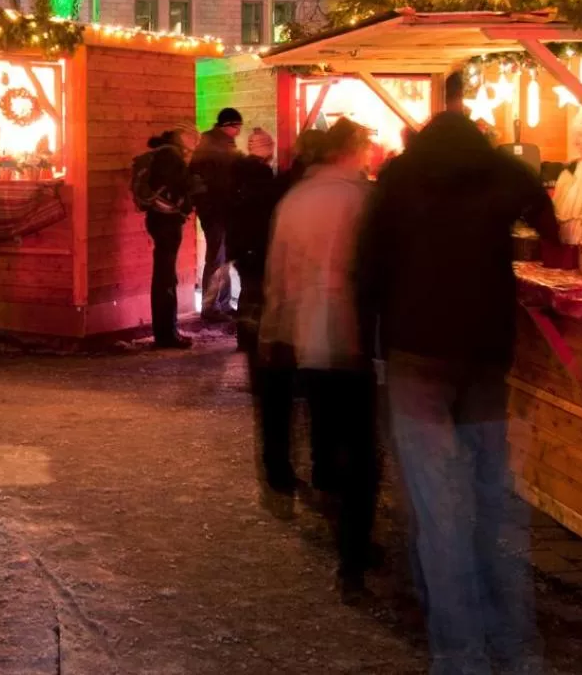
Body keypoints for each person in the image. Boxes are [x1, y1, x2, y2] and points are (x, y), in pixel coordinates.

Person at [356, 71, 561, 674]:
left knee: (438, 507)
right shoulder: (501, 171)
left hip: (416, 354)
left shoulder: (398, 178)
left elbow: (368, 269)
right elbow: (550, 225)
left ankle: (459, 654)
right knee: (493, 503)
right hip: (485, 355)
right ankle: (516, 647)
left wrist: (370, 345)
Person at [258, 119, 380, 599]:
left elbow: (280, 272)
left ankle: (340, 533)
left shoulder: (297, 200)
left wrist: (277, 328)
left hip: (307, 333)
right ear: (353, 149)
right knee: (361, 448)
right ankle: (352, 553)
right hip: (353, 336)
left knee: (328, 436)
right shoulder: (363, 199)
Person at [140, 126, 197, 349]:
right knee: (165, 278)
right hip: (166, 221)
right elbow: (181, 185)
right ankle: (166, 334)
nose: (196, 144)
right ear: (183, 141)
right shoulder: (171, 157)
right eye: (193, 140)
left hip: (159, 219)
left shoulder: (162, 154)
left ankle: (166, 332)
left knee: (164, 275)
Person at [229, 127, 279, 361]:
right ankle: (251, 339)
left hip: (239, 242)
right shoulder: (262, 176)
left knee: (247, 289)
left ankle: (244, 338)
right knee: (255, 291)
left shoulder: (238, 171)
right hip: (255, 242)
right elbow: (264, 213)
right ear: (267, 150)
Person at [190, 107, 244, 319]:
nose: (238, 131)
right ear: (227, 126)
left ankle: (222, 303)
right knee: (217, 257)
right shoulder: (215, 146)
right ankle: (211, 306)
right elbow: (219, 182)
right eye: (236, 127)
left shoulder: (219, 143)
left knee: (222, 257)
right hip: (216, 211)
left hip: (220, 210)